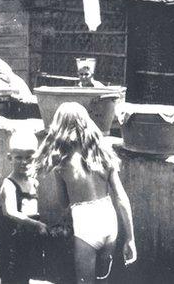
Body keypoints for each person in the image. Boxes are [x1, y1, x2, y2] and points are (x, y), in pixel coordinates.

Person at [34, 103, 137, 284]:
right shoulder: (103, 155)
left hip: (86, 224)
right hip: (109, 222)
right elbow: (122, 198)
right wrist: (130, 239)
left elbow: (63, 202)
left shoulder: (62, 162)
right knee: (102, 280)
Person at [0, 130, 48, 284]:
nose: (24, 162)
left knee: (25, 276)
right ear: (9, 158)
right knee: (12, 277)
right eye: (18, 157)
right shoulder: (9, 184)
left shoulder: (32, 182)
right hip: (12, 242)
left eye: (28, 157)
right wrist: (37, 224)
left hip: (28, 241)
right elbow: (10, 212)